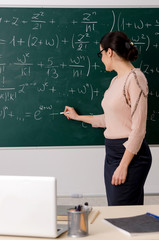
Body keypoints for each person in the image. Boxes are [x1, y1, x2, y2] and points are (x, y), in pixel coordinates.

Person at [63, 31, 152, 206]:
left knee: (123, 212)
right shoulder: (116, 81)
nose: (101, 58)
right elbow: (111, 119)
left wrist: (124, 165)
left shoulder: (135, 78)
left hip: (129, 154)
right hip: (112, 153)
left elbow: (139, 128)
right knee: (117, 209)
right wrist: (78, 117)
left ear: (109, 52)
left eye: (100, 53)